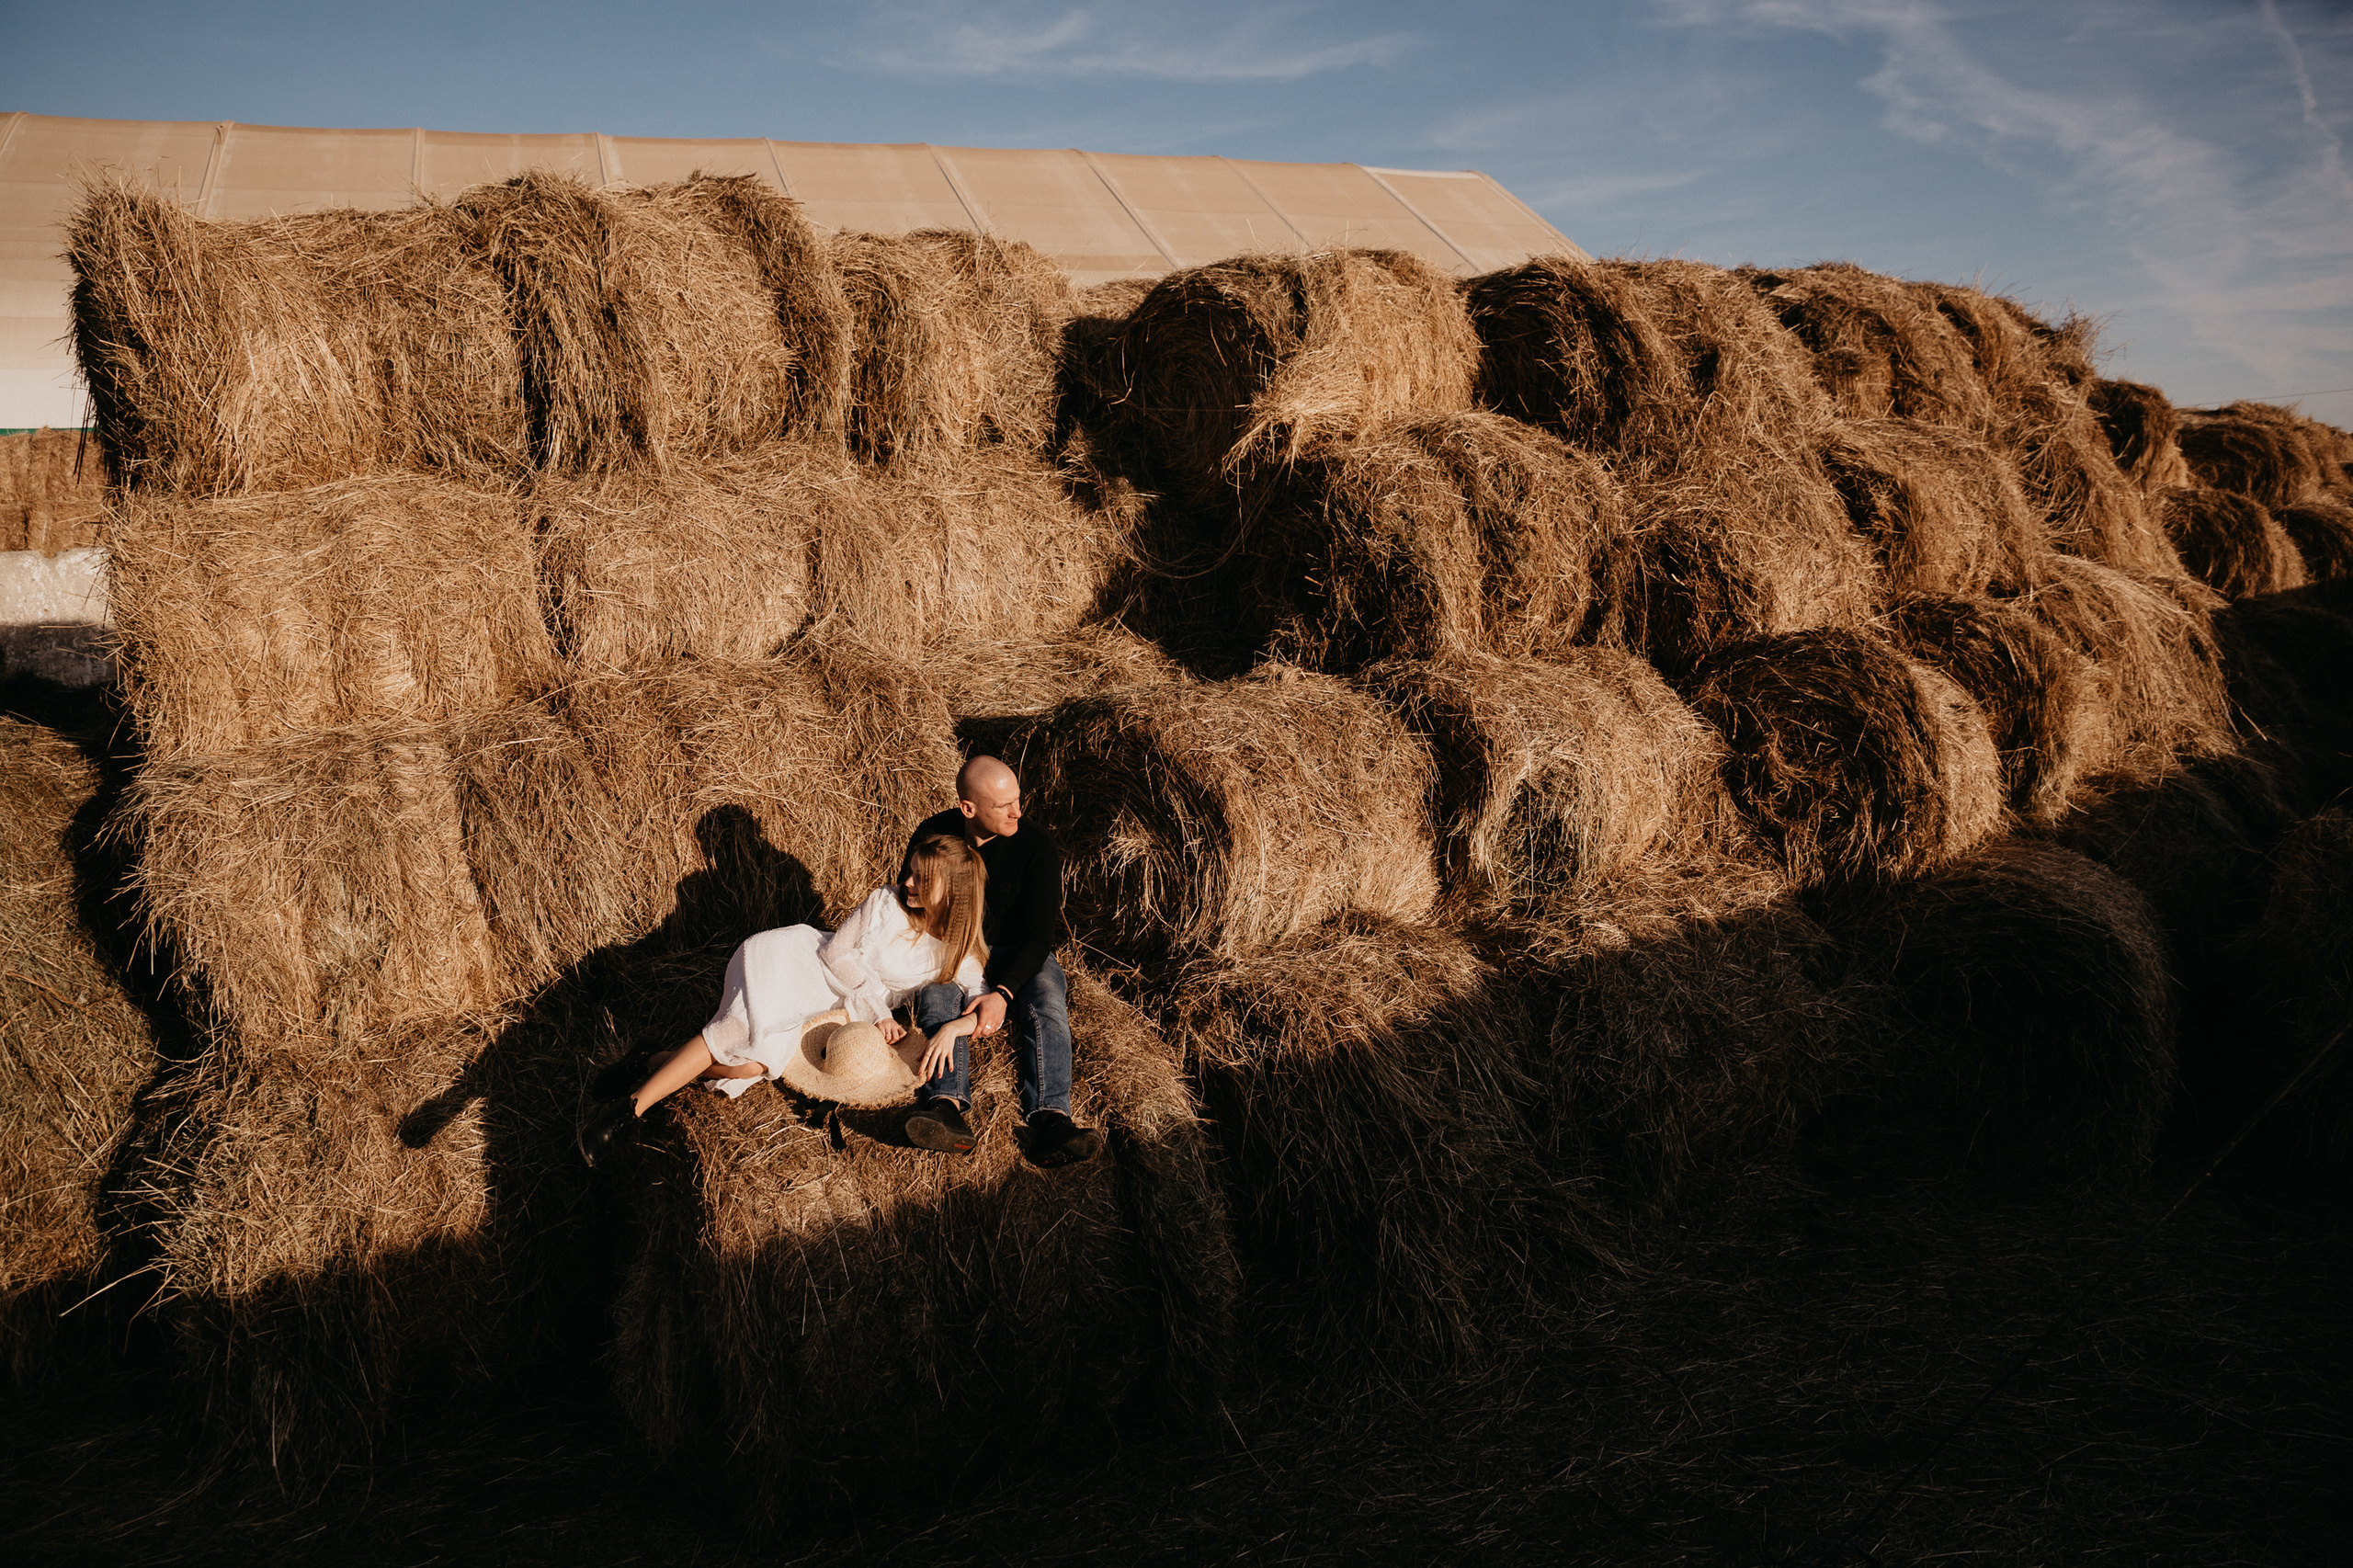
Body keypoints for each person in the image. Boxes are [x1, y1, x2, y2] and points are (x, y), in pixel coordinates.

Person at [577, 832, 991, 1166]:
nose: (908, 883)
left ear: (953, 891)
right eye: (911, 872)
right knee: (735, 1032)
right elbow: (836, 953)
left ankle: (649, 1059)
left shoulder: (957, 953)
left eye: (922, 879)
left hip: (834, 1010)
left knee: (751, 1067)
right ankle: (626, 1113)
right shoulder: (886, 902)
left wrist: (955, 1026)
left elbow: (987, 1008)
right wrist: (879, 1011)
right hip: (798, 967)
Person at [901, 755, 1103, 1167]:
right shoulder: (933, 836)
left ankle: (1051, 1119)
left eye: (1017, 800)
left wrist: (1003, 993)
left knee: (1047, 1000)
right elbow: (913, 898)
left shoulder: (1037, 846)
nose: (1017, 812)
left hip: (1017, 948)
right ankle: (945, 1108)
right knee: (936, 996)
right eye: (1003, 805)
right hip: (954, 945)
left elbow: (1038, 937)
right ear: (968, 808)